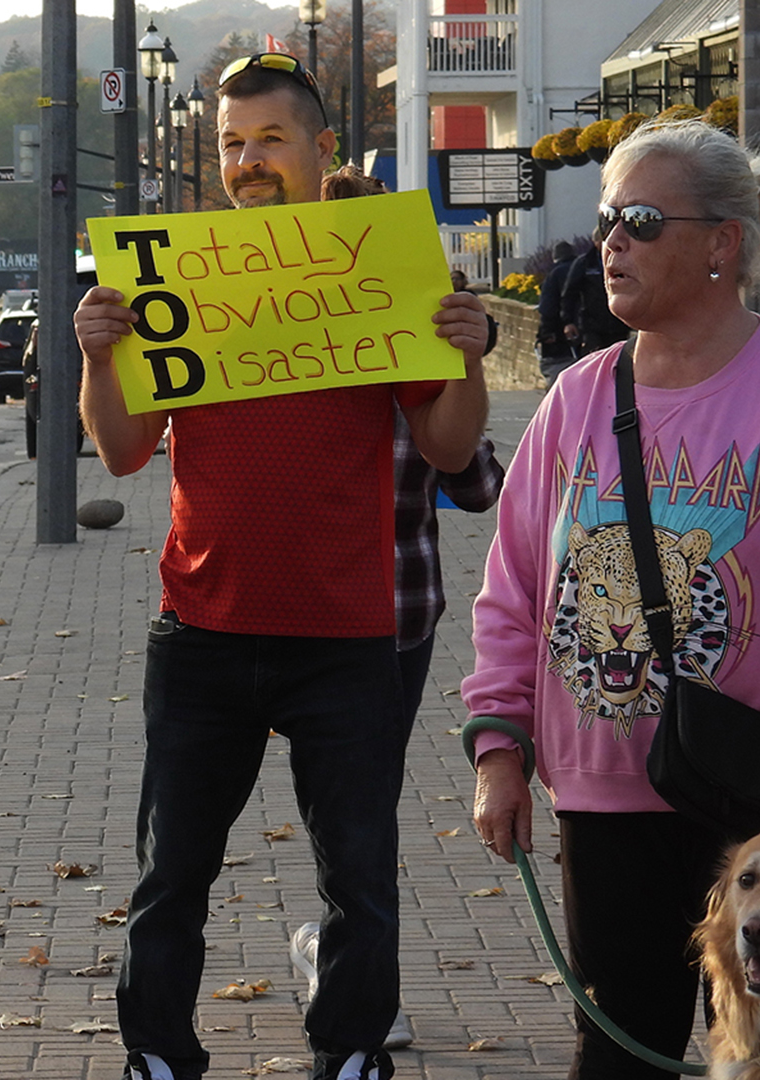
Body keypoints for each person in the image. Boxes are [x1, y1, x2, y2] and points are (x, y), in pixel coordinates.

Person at [73, 53, 491, 1080]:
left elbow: (446, 448)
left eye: (269, 140)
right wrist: (94, 358)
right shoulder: (179, 268)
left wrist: (470, 355)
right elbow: (125, 450)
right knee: (172, 870)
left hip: (346, 631)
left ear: (320, 150)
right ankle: (157, 1053)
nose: (248, 161)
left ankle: (350, 1049)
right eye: (230, 145)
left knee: (360, 872)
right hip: (203, 625)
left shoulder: (375, 267)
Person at [465, 119, 760, 1079]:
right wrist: (498, 745)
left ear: (721, 245)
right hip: (605, 788)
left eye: (643, 220)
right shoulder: (577, 399)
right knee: (623, 1051)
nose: (610, 240)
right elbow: (515, 590)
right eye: (608, 217)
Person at [287, 166, 509, 1053]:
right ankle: (344, 957)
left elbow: (477, 479)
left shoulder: (415, 346)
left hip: (390, 614)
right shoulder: (286, 348)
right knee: (342, 804)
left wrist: (458, 357)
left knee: (359, 803)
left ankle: (358, 981)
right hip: (281, 610)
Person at [559, 240, 629, 357]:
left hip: (618, 324)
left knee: (617, 362)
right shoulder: (585, 263)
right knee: (593, 360)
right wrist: (568, 321)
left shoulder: (622, 262)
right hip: (592, 326)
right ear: (597, 242)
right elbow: (569, 294)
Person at [535, 241, 579, 385]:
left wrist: (547, 331)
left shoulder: (555, 274)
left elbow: (548, 306)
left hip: (560, 333)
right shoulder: (583, 267)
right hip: (586, 327)